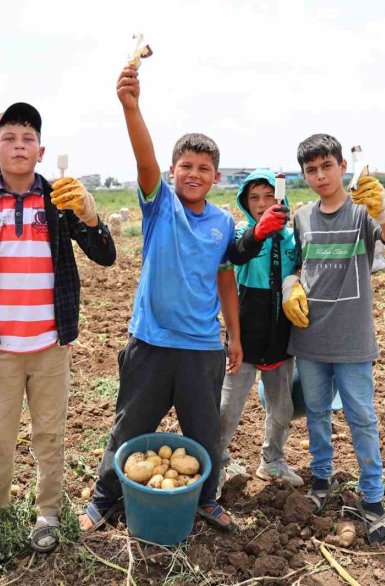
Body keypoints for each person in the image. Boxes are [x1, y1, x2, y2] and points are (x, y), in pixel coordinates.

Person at [80, 64, 243, 533]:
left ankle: (207, 499)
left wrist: (233, 335)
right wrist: (131, 107)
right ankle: (104, 499)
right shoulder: (160, 207)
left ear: (215, 177)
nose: (194, 174)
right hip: (150, 342)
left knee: (204, 434)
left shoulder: (223, 224)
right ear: (173, 172)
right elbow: (144, 159)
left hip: (201, 347)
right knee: (129, 427)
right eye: (185, 166)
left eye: (203, 169)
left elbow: (225, 282)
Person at [0, 102, 116, 553]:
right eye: (10, 138)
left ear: (41, 151)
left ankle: (47, 512)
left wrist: (89, 215)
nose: (19, 146)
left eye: (28, 139)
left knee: (49, 435)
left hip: (50, 344)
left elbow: (105, 255)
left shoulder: (59, 201)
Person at [281, 134, 385, 544]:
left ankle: (373, 499)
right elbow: (297, 266)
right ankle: (321, 480)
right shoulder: (301, 217)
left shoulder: (361, 212)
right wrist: (290, 286)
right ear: (304, 174)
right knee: (317, 413)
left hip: (353, 342)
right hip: (311, 339)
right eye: (311, 170)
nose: (320, 176)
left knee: (362, 418)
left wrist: (383, 211)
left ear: (342, 167)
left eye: (326, 166)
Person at [218, 169, 301, 494]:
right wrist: (260, 233)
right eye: (254, 197)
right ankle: (218, 467)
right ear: (244, 202)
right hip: (244, 338)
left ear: (281, 199)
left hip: (281, 337)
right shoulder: (242, 231)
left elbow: (301, 270)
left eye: (269, 196)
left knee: (282, 408)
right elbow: (238, 253)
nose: (262, 203)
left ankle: (273, 461)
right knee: (228, 408)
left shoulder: (293, 237)